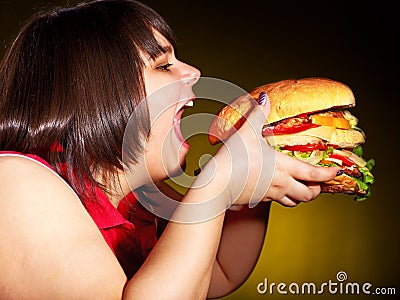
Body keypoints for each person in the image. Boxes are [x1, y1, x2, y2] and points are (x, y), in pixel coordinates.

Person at [0, 0, 339, 299]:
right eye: (163, 65)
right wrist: (217, 184)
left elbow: (218, 274)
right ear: (97, 94)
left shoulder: (139, 201)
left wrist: (251, 173)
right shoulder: (13, 182)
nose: (193, 72)